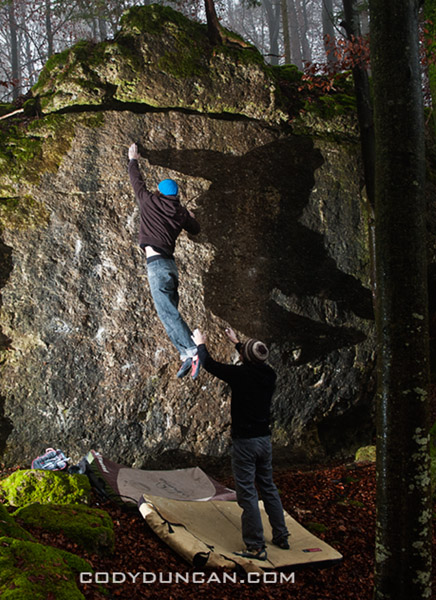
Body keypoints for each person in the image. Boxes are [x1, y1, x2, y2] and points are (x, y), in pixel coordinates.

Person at [191, 326, 290, 561]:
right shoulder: (269, 375)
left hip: (245, 443)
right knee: (268, 487)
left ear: (244, 358)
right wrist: (237, 342)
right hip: (264, 441)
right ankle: (281, 535)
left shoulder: (241, 375)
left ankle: (255, 546)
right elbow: (253, 362)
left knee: (247, 494)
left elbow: (210, 365)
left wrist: (200, 343)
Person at [128, 142, 202, 379]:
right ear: (176, 196)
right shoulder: (180, 212)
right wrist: (189, 215)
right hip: (170, 267)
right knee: (170, 313)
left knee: (167, 313)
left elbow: (136, 181)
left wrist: (133, 159)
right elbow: (196, 229)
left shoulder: (149, 201)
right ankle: (185, 354)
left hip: (157, 266)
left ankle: (193, 350)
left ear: (159, 192)